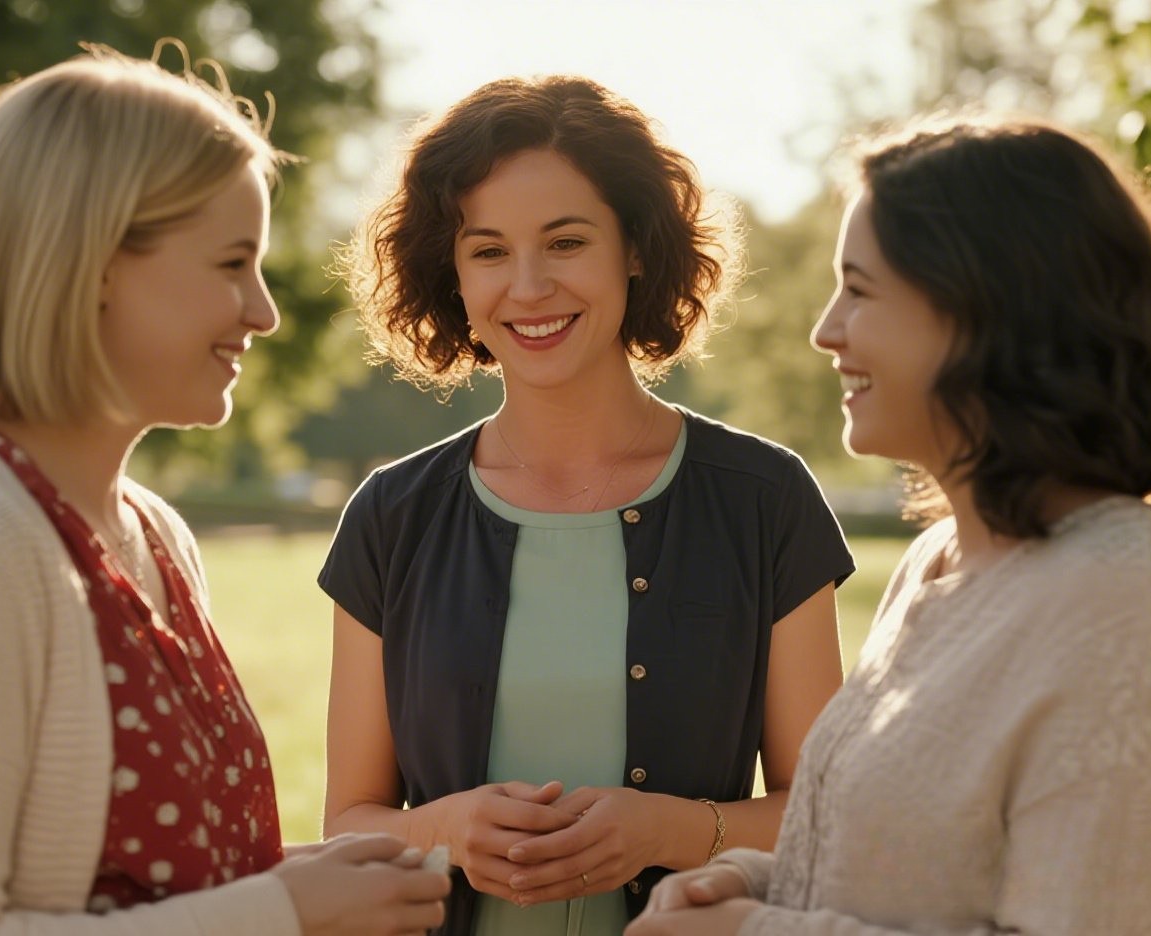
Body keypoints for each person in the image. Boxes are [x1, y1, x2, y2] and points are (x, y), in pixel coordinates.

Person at [0, 44, 449, 935]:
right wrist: (282, 912)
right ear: (94, 261)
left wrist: (316, 880)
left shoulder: (151, 532)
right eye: (230, 263)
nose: (264, 310)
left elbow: (134, 889)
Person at [627, 114, 1151, 936]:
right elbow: (910, 857)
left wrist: (751, 934)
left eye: (859, 290)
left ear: (984, 310)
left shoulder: (1123, 602)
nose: (826, 331)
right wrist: (751, 878)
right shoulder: (940, 561)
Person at [321, 75, 857, 936]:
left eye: (565, 242)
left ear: (635, 249)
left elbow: (831, 822)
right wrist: (447, 830)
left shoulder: (766, 501)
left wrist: (675, 830)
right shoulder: (392, 515)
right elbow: (349, 827)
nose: (528, 288)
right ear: (450, 274)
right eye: (488, 251)